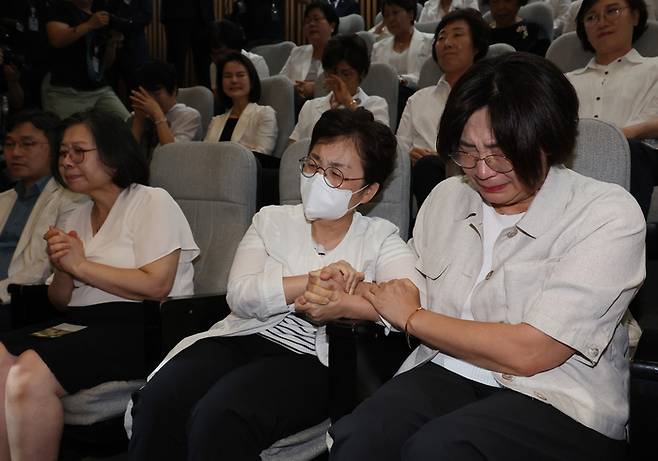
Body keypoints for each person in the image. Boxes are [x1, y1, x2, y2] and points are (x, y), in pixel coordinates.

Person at [328, 52, 645, 461]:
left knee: (439, 450)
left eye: (501, 152)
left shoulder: (606, 213)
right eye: (467, 152)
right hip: (453, 368)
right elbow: (410, 291)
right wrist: (346, 296)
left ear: (548, 140)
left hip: (558, 393)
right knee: (359, 436)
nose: (482, 170)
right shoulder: (448, 198)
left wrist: (413, 319)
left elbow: (533, 351)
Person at [127, 108, 425, 460]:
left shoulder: (381, 238)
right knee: (159, 398)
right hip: (246, 334)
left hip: (319, 358)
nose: (317, 179)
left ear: (367, 191)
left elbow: (410, 300)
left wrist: (345, 301)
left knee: (221, 414)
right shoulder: (271, 220)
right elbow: (241, 294)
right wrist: (312, 281)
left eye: (335, 174)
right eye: (313, 165)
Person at [0, 109, 198, 460]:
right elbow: (60, 301)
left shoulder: (151, 201)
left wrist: (80, 264)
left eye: (80, 152)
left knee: (27, 373)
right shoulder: (74, 214)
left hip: (142, 326)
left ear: (113, 154)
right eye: (62, 153)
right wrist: (63, 268)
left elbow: (157, 286)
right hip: (78, 322)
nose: (68, 162)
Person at [566, 0, 658, 217]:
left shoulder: (655, 68)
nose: (603, 22)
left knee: (630, 152)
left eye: (612, 11)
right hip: (576, 161)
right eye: (592, 17)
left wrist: (623, 135)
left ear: (635, 16)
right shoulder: (566, 82)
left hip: (643, 157)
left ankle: (621, 233)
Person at [396, 8, 489, 207]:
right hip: (423, 177)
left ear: (477, 46)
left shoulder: (489, 95)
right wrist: (409, 155)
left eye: (457, 35)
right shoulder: (418, 99)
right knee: (426, 167)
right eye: (441, 37)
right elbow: (399, 148)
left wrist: (447, 159)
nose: (447, 43)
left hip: (474, 177)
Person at [0, 111, 81, 303]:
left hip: (21, 302)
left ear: (54, 150)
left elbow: (44, 266)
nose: (16, 152)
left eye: (27, 144)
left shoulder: (73, 199)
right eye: (10, 144)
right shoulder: (3, 198)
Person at [289, 34, 389, 143]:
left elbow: (381, 143)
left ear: (362, 73)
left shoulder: (376, 105)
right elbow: (293, 149)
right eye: (332, 73)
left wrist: (348, 102)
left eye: (346, 74)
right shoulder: (310, 107)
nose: (338, 80)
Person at [43, 0, 128, 119]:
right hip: (67, 91)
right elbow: (57, 39)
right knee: (67, 134)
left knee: (127, 126)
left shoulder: (101, 13)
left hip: (100, 90)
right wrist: (89, 25)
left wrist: (112, 43)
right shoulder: (61, 8)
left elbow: (106, 64)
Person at [371, 0, 434, 123]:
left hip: (416, 96)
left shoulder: (429, 42)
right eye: (387, 15)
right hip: (385, 99)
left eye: (395, 13)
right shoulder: (378, 47)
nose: (391, 19)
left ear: (410, 14)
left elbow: (427, 78)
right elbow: (376, 81)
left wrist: (402, 80)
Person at [204, 52, 278, 156]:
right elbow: (204, 155)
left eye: (240, 75)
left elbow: (261, 156)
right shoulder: (216, 121)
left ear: (251, 81)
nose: (234, 80)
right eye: (228, 76)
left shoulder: (264, 114)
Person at [129, 60, 203, 150]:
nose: (150, 100)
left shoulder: (189, 116)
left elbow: (171, 154)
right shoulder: (136, 116)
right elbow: (126, 158)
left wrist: (157, 114)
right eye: (146, 94)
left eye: (156, 94)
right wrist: (139, 120)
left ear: (174, 91)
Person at [280, 1, 339, 102]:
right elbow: (281, 82)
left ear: (332, 26)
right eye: (307, 21)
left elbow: (345, 83)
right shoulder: (297, 52)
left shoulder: (341, 53)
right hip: (294, 103)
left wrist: (316, 88)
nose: (311, 24)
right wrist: (296, 88)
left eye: (316, 19)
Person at [207, 19, 269, 102]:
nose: (217, 59)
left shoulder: (256, 62)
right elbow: (219, 100)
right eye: (213, 55)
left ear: (234, 48)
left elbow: (262, 99)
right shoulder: (214, 65)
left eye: (221, 53)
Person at [160, 0, 214, 87]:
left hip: (203, 14)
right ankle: (174, 98)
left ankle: (209, 97)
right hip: (176, 14)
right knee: (176, 63)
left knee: (205, 64)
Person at [485, 0, 551, 56]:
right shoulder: (482, 34)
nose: (500, 7)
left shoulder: (535, 33)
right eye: (494, 1)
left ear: (519, 2)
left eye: (507, 0)